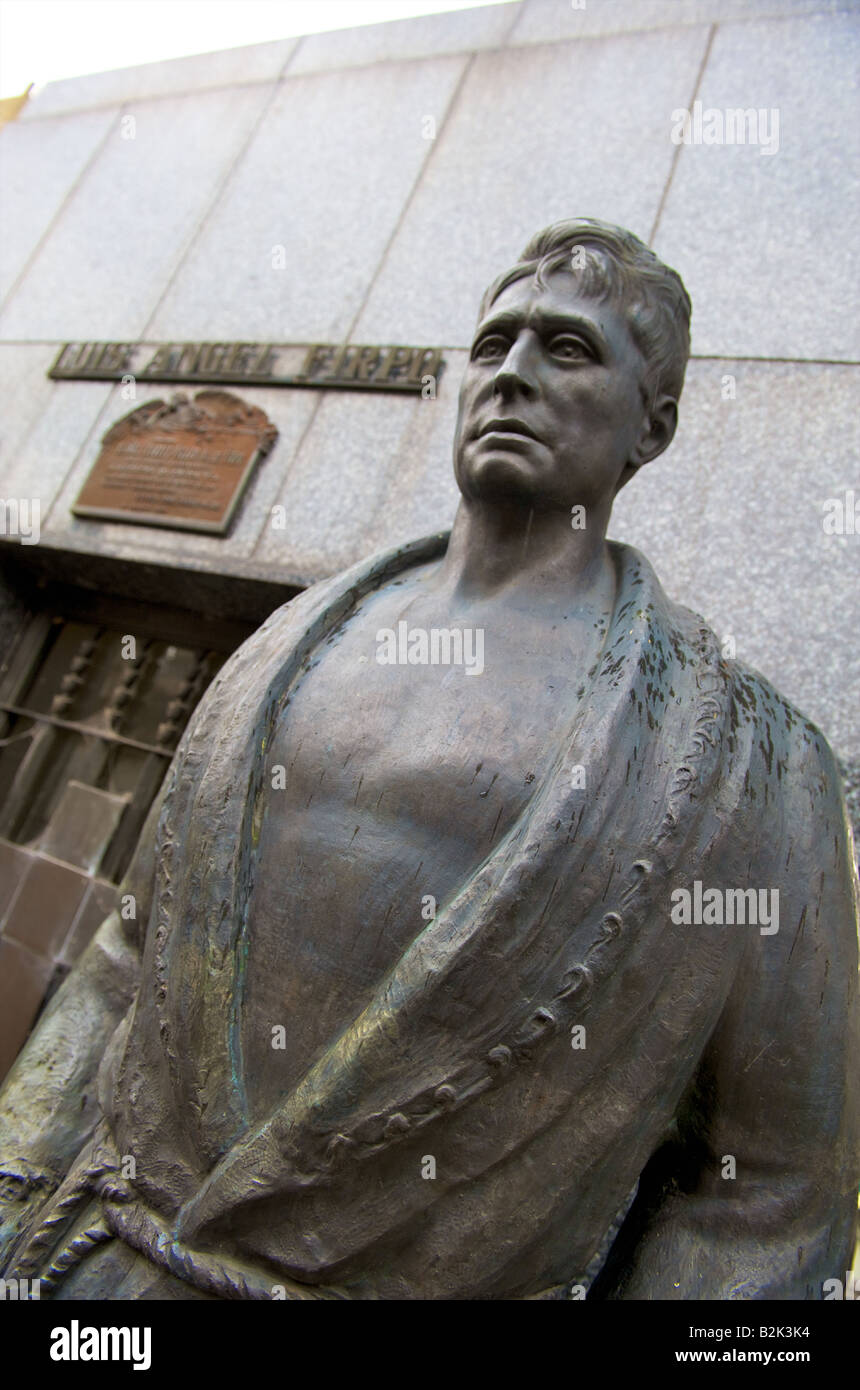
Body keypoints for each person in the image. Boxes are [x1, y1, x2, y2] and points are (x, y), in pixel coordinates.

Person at [1, 220, 857, 1300]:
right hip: (98, 1282)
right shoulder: (288, 642)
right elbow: (128, 956)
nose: (511, 375)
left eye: (568, 349)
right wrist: (12, 1187)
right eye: (492, 344)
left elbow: (769, 1198)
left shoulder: (751, 764)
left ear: (655, 423)